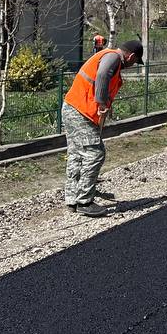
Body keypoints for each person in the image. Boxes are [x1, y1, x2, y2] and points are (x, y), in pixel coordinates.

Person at [61, 39, 143, 216]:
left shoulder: (108, 57)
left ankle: (72, 199)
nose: (133, 65)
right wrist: (101, 102)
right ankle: (84, 201)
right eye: (135, 61)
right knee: (95, 153)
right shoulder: (112, 57)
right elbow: (103, 75)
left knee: (76, 154)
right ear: (132, 56)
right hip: (80, 111)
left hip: (74, 108)